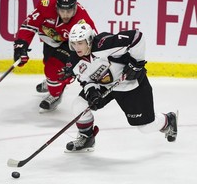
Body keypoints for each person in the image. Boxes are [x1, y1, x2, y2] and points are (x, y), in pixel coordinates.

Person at [59, 23, 178, 152]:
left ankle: (168, 120)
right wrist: (92, 93)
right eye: (74, 43)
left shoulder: (103, 44)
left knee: (146, 127)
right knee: (79, 104)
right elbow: (86, 81)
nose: (77, 47)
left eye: (80, 43)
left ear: (89, 40)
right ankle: (87, 138)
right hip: (104, 85)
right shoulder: (75, 61)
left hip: (129, 84)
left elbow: (136, 37)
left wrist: (137, 64)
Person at [13, 0, 97, 112]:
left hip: (71, 44)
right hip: (50, 40)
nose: (66, 15)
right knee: (48, 64)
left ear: (75, 8)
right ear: (56, 7)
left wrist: (76, 65)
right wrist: (21, 45)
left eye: (69, 11)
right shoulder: (46, 6)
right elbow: (29, 25)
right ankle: (52, 81)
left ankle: (55, 94)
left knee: (54, 69)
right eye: (62, 11)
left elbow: (91, 42)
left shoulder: (82, 20)